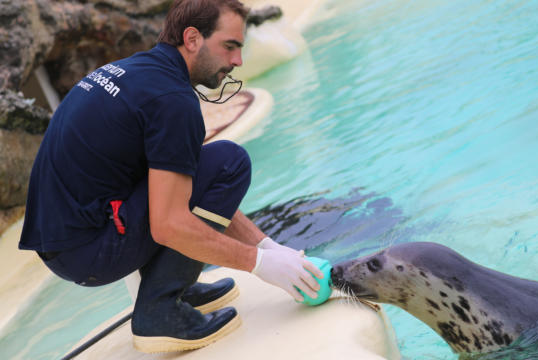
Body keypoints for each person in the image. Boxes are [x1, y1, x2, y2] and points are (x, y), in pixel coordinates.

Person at [18, 0, 322, 353]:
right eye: (230, 46)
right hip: (89, 252)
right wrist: (259, 264)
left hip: (65, 242)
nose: (238, 60)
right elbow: (168, 224)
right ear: (192, 38)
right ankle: (158, 310)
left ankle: (172, 285)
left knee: (202, 171)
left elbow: (192, 186)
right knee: (229, 162)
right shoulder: (172, 101)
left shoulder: (136, 72)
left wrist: (269, 246)